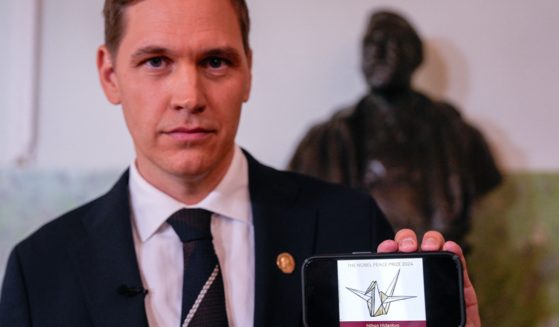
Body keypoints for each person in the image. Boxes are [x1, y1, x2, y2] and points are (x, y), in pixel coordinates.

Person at [0, 1, 480, 326]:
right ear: (110, 75)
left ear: (247, 71)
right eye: (155, 62)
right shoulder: (39, 270)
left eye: (215, 62)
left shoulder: (350, 224)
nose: (189, 97)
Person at [289, 10, 502, 251]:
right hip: (358, 278)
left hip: (438, 271)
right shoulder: (324, 141)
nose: (378, 53)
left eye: (391, 42)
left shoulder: (458, 136)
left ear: (414, 55)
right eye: (370, 44)